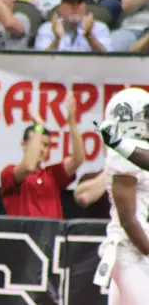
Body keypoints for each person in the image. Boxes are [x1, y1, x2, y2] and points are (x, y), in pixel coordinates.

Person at [93, 87, 149, 305]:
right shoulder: (123, 156)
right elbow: (128, 220)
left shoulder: (133, 150)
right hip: (130, 251)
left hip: (135, 251)